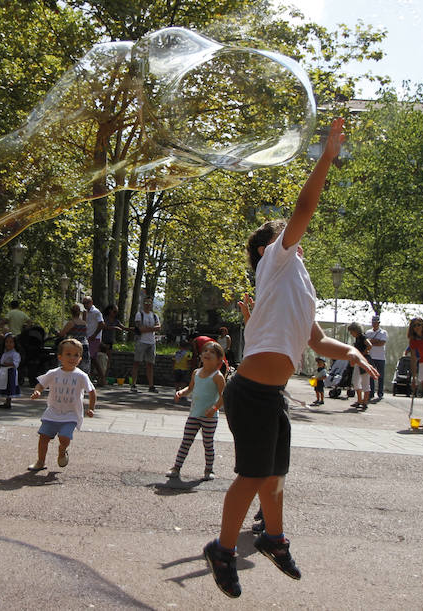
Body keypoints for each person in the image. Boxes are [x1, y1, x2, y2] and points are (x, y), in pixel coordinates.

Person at [203, 119, 378, 599]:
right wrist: (326, 157)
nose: (296, 236)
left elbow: (318, 342)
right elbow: (305, 207)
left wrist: (356, 354)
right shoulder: (276, 261)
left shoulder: (298, 284)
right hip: (252, 392)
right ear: (266, 249)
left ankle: (273, 539)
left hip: (271, 395)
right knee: (254, 474)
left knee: (275, 475)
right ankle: (221, 549)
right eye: (286, 235)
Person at [27, 338, 96, 471]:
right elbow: (41, 384)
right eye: (68, 354)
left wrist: (91, 408)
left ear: (80, 359)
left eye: (76, 355)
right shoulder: (53, 373)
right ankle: (40, 462)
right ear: (60, 357)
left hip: (71, 414)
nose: (72, 358)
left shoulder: (81, 376)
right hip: (53, 412)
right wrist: (37, 391)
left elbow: (92, 392)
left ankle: (62, 450)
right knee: (43, 437)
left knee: (64, 437)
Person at [167, 340, 225, 481]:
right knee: (186, 441)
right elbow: (191, 388)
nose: (207, 353)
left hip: (209, 417)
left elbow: (224, 396)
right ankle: (176, 467)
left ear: (219, 360)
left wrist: (215, 408)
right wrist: (181, 392)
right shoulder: (196, 373)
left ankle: (209, 469)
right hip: (194, 414)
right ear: (200, 356)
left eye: (212, 352)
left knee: (208, 443)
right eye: (205, 351)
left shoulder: (218, 377)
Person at [130, 297, 160, 393]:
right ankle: (133, 384)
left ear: (151, 304)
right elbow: (140, 328)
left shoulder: (154, 316)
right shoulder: (140, 314)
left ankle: (151, 385)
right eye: (146, 302)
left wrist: (147, 328)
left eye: (149, 302)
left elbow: (158, 327)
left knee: (150, 364)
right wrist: (152, 328)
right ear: (143, 304)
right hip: (141, 341)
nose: (147, 304)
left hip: (151, 342)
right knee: (137, 362)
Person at [57, 303, 91, 373]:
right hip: (84, 344)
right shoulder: (84, 323)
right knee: (84, 365)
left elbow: (62, 334)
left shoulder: (71, 323)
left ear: (71, 312)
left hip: (74, 345)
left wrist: (58, 333)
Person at [347, 322, 372, 410]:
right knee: (356, 381)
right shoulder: (357, 339)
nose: (351, 334)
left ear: (355, 330)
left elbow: (369, 345)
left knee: (365, 381)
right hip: (358, 361)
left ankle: (365, 402)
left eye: (351, 331)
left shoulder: (362, 337)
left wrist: (362, 354)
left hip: (364, 361)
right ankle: (359, 400)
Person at [82, 296, 106, 385]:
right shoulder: (86, 313)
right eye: (84, 303)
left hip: (94, 338)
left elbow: (102, 324)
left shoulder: (96, 312)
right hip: (87, 337)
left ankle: (102, 377)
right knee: (91, 358)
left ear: (91, 302)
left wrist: (94, 335)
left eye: (87, 303)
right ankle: (93, 377)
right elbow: (84, 324)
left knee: (91, 357)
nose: (85, 305)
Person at [364, 314, 388, 401]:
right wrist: (375, 341)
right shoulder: (368, 332)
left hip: (380, 357)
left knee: (380, 375)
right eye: (373, 322)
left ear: (379, 323)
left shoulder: (383, 332)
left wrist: (372, 342)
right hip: (371, 356)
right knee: (371, 375)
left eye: (376, 322)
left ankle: (380, 392)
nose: (374, 324)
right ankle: (371, 392)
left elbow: (382, 343)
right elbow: (366, 342)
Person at [0, 333, 21, 409]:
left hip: (10, 372)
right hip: (4, 371)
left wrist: (8, 364)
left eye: (11, 342)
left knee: (9, 386)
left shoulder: (15, 354)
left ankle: (8, 401)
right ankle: (6, 401)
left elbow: (16, 363)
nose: (8, 344)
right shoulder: (5, 353)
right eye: (7, 342)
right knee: (4, 386)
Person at [100, 304, 125, 381]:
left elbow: (123, 327)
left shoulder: (116, 321)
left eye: (116, 312)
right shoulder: (104, 319)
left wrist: (133, 329)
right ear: (110, 311)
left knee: (108, 361)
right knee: (100, 359)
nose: (115, 313)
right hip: (102, 341)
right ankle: (99, 375)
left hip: (110, 342)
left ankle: (104, 377)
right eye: (114, 311)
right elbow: (103, 327)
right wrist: (113, 328)